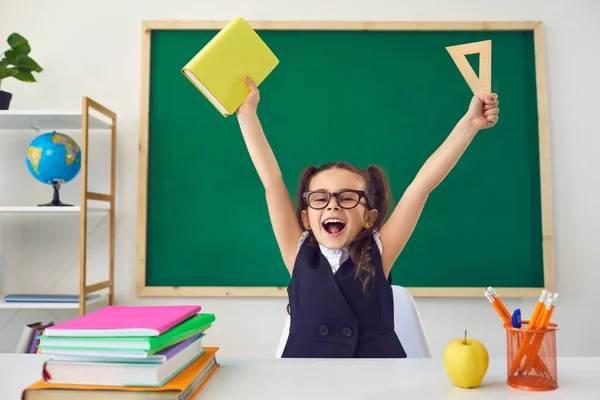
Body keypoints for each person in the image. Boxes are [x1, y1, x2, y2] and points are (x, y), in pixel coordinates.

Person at [235, 76, 499, 358]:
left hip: (379, 378)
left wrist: (470, 124)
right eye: (320, 198)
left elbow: (420, 187)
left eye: (347, 198)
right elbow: (273, 183)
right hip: (304, 378)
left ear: (369, 217)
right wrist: (247, 113)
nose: (332, 206)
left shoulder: (380, 252)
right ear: (306, 218)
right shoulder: (296, 251)